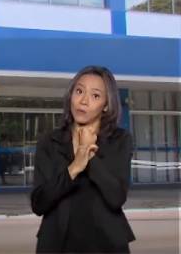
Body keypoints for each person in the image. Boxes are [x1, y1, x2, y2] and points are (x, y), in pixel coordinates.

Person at [31, 65, 135, 253]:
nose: (84, 101)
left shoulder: (120, 140)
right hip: (57, 245)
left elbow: (116, 197)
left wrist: (89, 156)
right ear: (71, 95)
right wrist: (74, 168)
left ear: (106, 105)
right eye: (79, 91)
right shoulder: (49, 142)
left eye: (95, 96)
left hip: (107, 244)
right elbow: (39, 203)